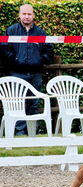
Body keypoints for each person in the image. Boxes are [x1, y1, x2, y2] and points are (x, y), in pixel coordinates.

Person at [2, 4, 53, 135]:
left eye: (29, 14)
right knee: (17, 104)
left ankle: (32, 132)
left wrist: (40, 60)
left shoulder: (41, 33)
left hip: (35, 74)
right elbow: (4, 49)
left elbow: (48, 50)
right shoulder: (11, 31)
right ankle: (19, 133)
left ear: (33, 15)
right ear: (19, 15)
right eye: (24, 14)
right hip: (16, 74)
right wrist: (14, 60)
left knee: (33, 104)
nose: (26, 16)